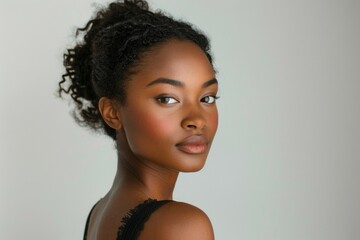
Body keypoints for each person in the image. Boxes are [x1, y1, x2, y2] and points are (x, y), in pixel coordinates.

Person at [58, 0, 219, 239]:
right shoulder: (182, 226)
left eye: (206, 98)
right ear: (112, 112)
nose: (197, 119)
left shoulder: (100, 213)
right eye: (167, 99)